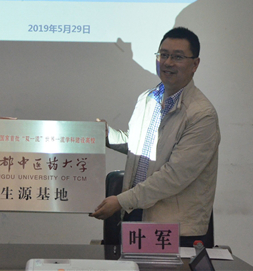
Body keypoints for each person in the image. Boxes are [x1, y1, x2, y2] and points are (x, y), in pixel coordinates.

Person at [91, 27, 219, 247]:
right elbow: (140, 144)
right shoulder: (147, 98)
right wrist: (107, 135)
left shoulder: (202, 115)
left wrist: (121, 201)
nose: (168, 62)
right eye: (163, 54)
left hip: (174, 230)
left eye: (177, 57)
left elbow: (174, 176)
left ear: (195, 64)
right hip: (135, 214)